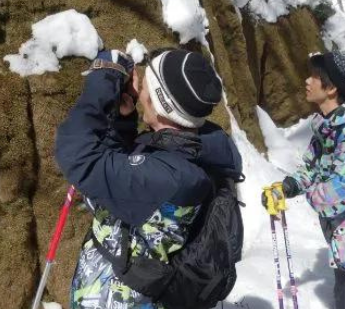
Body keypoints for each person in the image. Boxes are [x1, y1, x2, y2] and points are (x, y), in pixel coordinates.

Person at [55, 48, 243, 309]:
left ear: (158, 101)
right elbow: (124, 177)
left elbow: (79, 157)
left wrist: (104, 78)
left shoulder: (172, 177)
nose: (138, 85)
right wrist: (124, 120)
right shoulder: (186, 149)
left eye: (144, 84)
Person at [263, 51, 345, 309]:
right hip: (343, 243)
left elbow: (335, 194)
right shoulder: (328, 128)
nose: (307, 81)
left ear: (332, 88)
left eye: (314, 76)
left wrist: (311, 192)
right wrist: (288, 186)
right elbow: (311, 168)